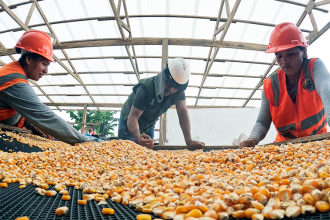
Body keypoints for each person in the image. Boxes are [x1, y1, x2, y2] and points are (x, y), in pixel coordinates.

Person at [240, 22, 330, 148]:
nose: (284, 60)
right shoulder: (270, 85)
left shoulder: (313, 68)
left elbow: (327, 90)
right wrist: (253, 138)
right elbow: (262, 122)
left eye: (290, 54)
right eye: (279, 56)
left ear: (304, 52)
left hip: (317, 142)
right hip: (285, 147)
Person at [0, 30, 89, 145]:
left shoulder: (14, 73)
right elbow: (43, 115)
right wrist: (86, 142)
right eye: (44, 64)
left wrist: (32, 125)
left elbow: (19, 108)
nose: (46, 71)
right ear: (28, 59)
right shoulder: (15, 81)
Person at [119, 58, 205, 149]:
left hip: (148, 124)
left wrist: (189, 141)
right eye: (169, 83)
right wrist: (137, 137)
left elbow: (182, 112)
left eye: (175, 87)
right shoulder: (145, 88)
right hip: (128, 122)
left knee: (146, 154)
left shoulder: (178, 92)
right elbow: (133, 117)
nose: (171, 89)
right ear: (163, 76)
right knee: (126, 152)